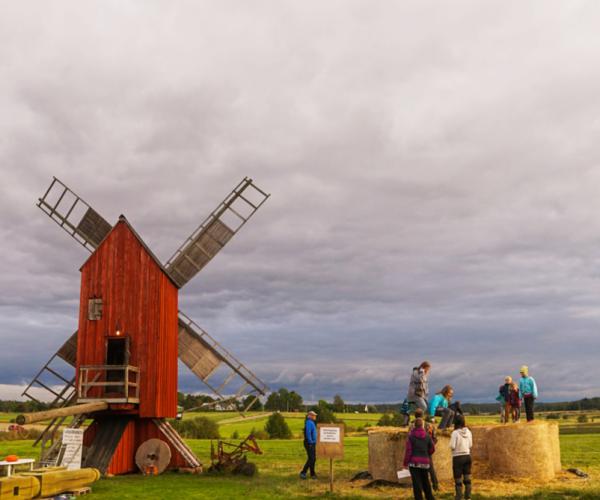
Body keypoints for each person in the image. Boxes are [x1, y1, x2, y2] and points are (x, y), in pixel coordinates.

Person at [403, 417, 436, 500]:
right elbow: (432, 449)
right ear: (422, 425)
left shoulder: (411, 436)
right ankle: (430, 498)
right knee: (426, 482)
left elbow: (409, 451)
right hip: (425, 462)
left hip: (414, 463)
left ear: (414, 425)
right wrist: (426, 454)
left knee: (416, 484)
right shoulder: (427, 436)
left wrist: (405, 463)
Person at [410, 408, 439, 491]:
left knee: (417, 471)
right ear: (423, 415)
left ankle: (420, 488)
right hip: (427, 452)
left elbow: (409, 438)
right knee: (431, 469)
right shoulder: (429, 425)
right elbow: (435, 438)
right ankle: (435, 486)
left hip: (416, 452)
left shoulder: (412, 425)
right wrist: (430, 448)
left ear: (414, 416)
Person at [450, 414, 473, 500]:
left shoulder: (455, 433)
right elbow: (471, 445)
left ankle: (459, 497)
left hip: (457, 457)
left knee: (458, 480)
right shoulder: (469, 432)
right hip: (467, 456)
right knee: (467, 478)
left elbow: (452, 446)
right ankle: (468, 496)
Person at [299, 410, 317, 479]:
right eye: (314, 415)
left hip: (312, 443)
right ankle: (303, 473)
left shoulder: (311, 422)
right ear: (310, 416)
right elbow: (308, 433)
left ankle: (312, 474)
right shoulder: (309, 422)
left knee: (313, 458)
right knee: (311, 458)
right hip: (310, 443)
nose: (315, 416)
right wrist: (310, 442)